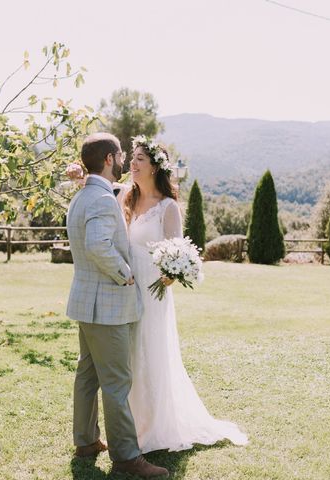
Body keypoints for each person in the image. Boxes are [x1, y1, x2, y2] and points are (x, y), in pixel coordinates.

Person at [119, 135, 249, 453]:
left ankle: (154, 428)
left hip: (153, 292)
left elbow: (177, 251)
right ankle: (132, 423)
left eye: (139, 160)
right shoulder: (126, 197)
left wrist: (170, 274)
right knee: (130, 357)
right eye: (132, 158)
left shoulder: (168, 207)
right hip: (126, 286)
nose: (132, 164)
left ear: (154, 168)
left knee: (150, 354)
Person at [66, 132, 168, 477]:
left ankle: (86, 441)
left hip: (87, 302)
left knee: (88, 374)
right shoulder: (100, 199)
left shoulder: (85, 195)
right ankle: (126, 457)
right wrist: (125, 274)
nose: (125, 160)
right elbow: (97, 245)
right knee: (116, 381)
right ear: (109, 159)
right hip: (107, 305)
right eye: (122, 154)